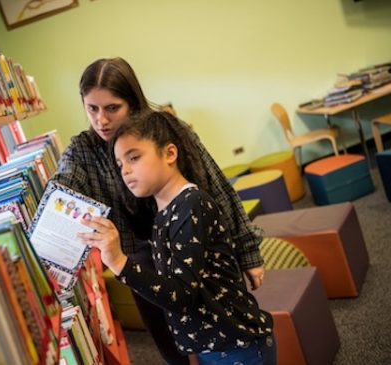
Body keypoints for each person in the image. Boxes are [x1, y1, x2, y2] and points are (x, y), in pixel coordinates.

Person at [47, 57, 266, 364]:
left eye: (112, 108)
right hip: (141, 261)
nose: (102, 120)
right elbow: (64, 184)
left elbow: (218, 188)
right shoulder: (84, 147)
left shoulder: (168, 130)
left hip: (195, 243)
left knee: (222, 329)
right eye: (92, 109)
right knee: (174, 342)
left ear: (133, 102)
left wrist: (248, 253)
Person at [78, 110, 275, 364]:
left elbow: (181, 295)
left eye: (134, 158)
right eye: (120, 164)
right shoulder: (163, 210)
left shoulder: (191, 205)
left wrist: (118, 261)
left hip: (237, 347)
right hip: (214, 347)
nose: (125, 171)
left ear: (170, 154)